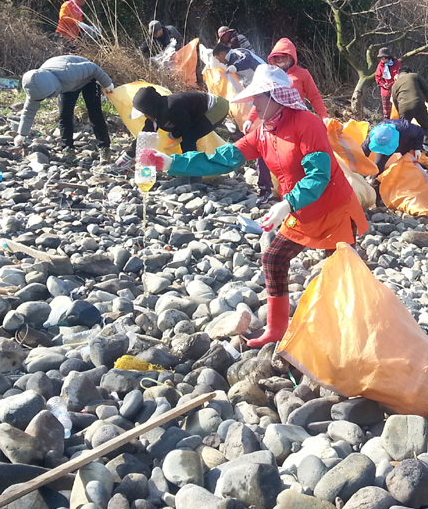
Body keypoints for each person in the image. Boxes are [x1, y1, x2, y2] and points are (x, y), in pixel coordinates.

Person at [139, 65, 367, 347]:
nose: (253, 105)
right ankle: (276, 330)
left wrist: (286, 204)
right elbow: (224, 158)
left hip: (334, 209)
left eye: (258, 98)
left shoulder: (307, 123)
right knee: (273, 259)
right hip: (300, 210)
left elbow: (318, 175)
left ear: (275, 96)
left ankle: (354, 334)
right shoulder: (263, 132)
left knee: (344, 272)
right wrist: (171, 162)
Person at [246, 38, 328, 202]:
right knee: (262, 152)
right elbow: (262, 98)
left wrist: (324, 116)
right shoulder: (270, 74)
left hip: (295, 122)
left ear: (292, 57)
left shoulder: (302, 74)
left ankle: (302, 192)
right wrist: (250, 119)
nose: (280, 61)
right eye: (277, 57)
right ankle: (265, 189)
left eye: (284, 57)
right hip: (272, 122)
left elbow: (314, 96)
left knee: (298, 157)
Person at [14, 55, 114, 160]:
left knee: (95, 113)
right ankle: (68, 149)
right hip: (67, 87)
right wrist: (22, 134)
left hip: (88, 78)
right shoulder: (35, 87)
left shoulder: (67, 72)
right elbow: (29, 110)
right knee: (64, 115)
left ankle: (104, 148)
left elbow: (93, 68)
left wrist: (107, 84)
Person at [131, 87, 231, 153]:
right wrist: (127, 157)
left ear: (150, 108)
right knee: (187, 138)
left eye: (145, 113)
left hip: (216, 106)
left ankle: (192, 174)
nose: (145, 116)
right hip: (200, 110)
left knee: (189, 138)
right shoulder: (156, 113)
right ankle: (190, 170)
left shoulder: (172, 107)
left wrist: (174, 134)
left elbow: (186, 128)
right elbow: (145, 135)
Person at [362, 119, 428, 174]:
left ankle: (422, 172)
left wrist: (417, 148)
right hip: (390, 143)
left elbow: (420, 132)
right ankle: (375, 183)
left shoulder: (405, 128)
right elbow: (363, 151)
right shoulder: (375, 135)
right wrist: (358, 162)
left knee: (411, 161)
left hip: (405, 143)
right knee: (378, 166)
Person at [390, 70, 428, 148]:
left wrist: (400, 112)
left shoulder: (395, 84)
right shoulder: (414, 76)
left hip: (403, 107)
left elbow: (395, 100)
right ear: (409, 72)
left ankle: (403, 149)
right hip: (417, 104)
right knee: (427, 127)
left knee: (404, 130)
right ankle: (425, 145)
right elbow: (426, 89)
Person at [373, 47, 401, 119]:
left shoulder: (397, 64)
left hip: (396, 91)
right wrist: (383, 84)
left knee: (397, 111)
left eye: (382, 57)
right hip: (385, 92)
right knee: (386, 114)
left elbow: (401, 76)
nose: (381, 59)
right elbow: (377, 77)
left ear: (387, 57)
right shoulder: (380, 65)